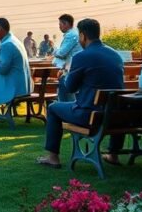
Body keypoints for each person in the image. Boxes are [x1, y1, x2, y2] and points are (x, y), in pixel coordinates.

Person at [35, 18, 124, 168]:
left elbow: (70, 87)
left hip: (89, 115)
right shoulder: (115, 55)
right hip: (115, 115)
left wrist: (65, 73)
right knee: (109, 105)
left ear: (82, 36)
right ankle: (113, 154)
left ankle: (53, 157)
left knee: (53, 108)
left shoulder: (81, 57)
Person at [53, 14, 83, 101]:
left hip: (70, 69)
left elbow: (62, 53)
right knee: (71, 98)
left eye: (60, 24)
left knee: (64, 99)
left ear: (66, 24)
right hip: (73, 67)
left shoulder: (70, 35)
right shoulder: (75, 33)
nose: (59, 27)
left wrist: (54, 51)